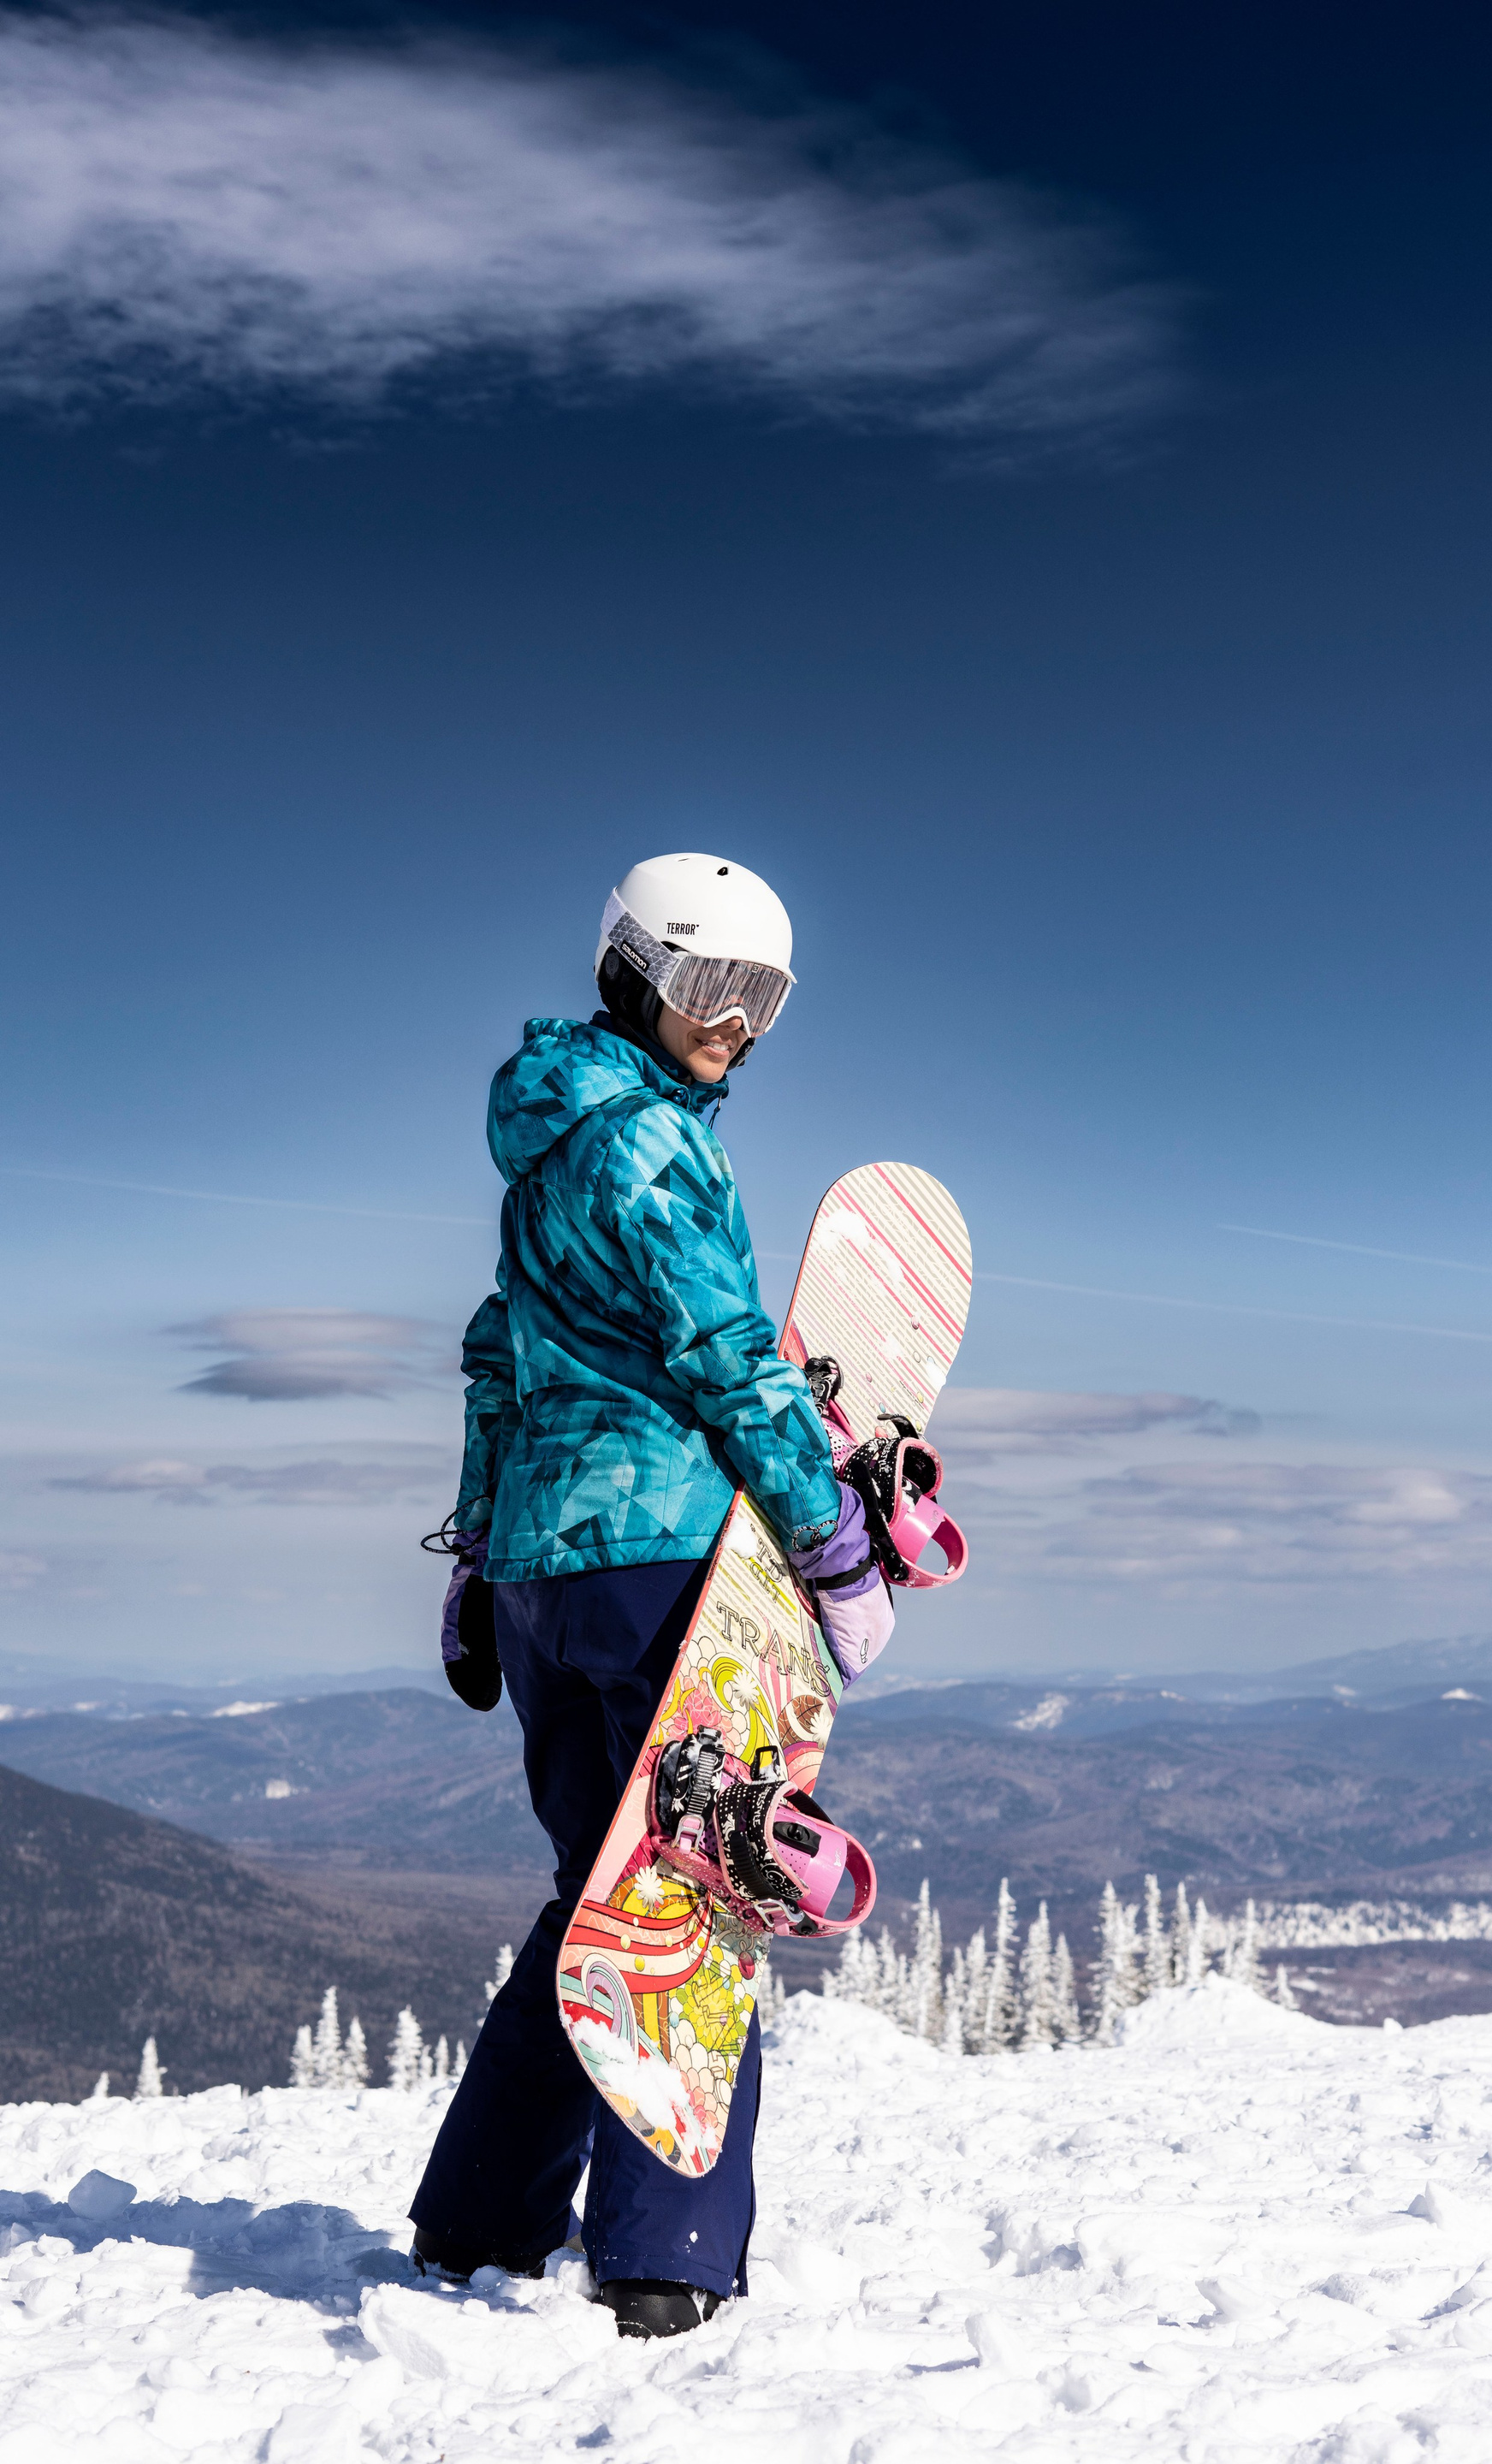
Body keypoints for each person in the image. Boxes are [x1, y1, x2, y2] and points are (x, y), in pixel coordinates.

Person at [409, 852, 895, 2340]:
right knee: (695, 1895)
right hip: (657, 1562)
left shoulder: (544, 1154)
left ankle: (481, 2219)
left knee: (601, 1898)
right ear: (635, 971)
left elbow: (497, 1362)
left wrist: (481, 1560)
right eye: (714, 984)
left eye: (767, 997)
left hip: (546, 1579)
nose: (738, 1022)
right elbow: (729, 1360)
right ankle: (663, 2257)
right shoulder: (654, 1147)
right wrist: (831, 1544)